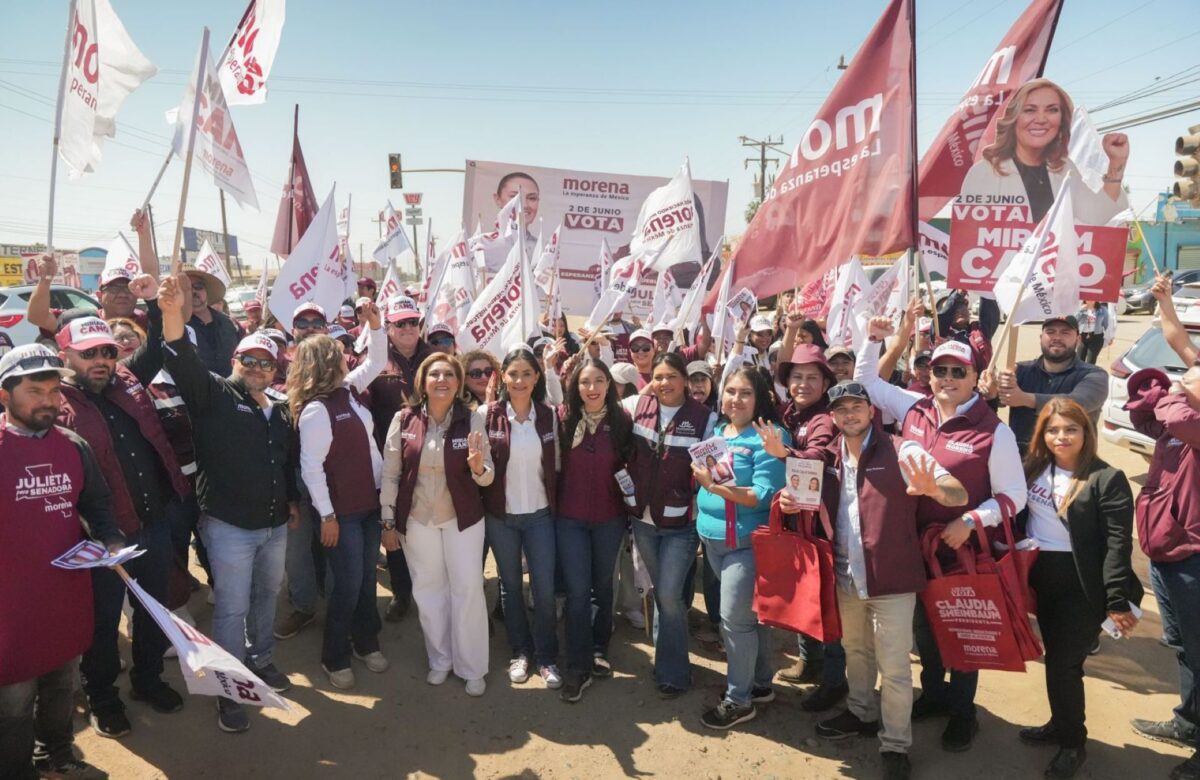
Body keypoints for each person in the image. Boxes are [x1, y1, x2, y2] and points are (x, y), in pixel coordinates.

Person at [768, 381, 967, 780]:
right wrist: (787, 499)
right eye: (841, 410)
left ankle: (895, 745)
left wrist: (935, 489)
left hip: (892, 579)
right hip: (846, 575)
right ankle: (861, 712)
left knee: (894, 668)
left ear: (871, 411)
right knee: (857, 653)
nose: (849, 415)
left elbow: (956, 492)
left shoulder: (901, 449)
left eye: (857, 407)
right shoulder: (826, 459)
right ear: (833, 417)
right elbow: (798, 498)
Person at [855, 317, 1026, 753]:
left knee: (964, 630)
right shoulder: (914, 407)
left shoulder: (994, 431)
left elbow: (1014, 497)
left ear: (975, 378)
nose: (947, 379)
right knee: (925, 628)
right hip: (912, 544)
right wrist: (876, 337)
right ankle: (933, 694)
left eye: (958, 372)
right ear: (928, 374)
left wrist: (970, 521)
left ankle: (964, 713)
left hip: (959, 548)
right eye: (940, 370)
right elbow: (867, 383)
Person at [159, 277, 300, 734]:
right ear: (235, 360)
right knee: (231, 609)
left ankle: (261, 661)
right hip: (228, 527)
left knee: (266, 599)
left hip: (274, 525)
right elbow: (181, 356)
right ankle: (229, 689)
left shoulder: (278, 408)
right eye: (250, 359)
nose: (259, 367)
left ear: (277, 370)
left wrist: (292, 503)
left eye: (267, 362)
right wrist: (171, 311)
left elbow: (284, 463)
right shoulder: (214, 394)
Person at [54, 280, 191, 739]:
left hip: (154, 524)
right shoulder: (52, 405)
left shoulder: (129, 377)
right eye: (89, 354)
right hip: (101, 539)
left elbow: (157, 345)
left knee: (155, 613)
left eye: (107, 353)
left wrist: (157, 300)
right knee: (103, 626)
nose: (101, 362)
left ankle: (148, 680)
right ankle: (103, 697)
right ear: (65, 355)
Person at [0, 345, 123, 780]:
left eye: (54, 390)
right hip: (10, 611)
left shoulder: (73, 444)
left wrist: (110, 541)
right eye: (35, 391)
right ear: (4, 395)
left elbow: (97, 503)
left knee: (60, 685)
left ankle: (57, 751)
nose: (49, 401)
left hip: (65, 597)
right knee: (13, 702)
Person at [1015, 398, 1140, 779]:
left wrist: (1117, 601)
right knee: (1055, 660)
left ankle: (1073, 743)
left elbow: (1118, 545)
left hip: (1082, 585)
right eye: (1053, 430)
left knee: (1064, 665)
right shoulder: (1034, 467)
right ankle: (1060, 723)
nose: (1061, 436)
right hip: (1041, 577)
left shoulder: (1107, 478)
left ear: (1086, 432)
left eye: (1070, 429)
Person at [380, 354, 493, 696]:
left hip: (462, 520)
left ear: (458, 383)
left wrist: (477, 467)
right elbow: (390, 473)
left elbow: (487, 478)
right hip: (417, 520)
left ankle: (471, 666)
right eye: (435, 374)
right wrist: (387, 521)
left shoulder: (472, 420)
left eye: (449, 374)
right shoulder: (404, 419)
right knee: (428, 591)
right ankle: (440, 660)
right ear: (423, 382)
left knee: (467, 589)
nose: (441, 379)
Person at [291, 302, 388, 691]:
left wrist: (376, 325)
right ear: (326, 364)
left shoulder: (348, 391)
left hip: (367, 506)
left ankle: (366, 643)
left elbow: (377, 360)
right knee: (346, 585)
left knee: (365, 582)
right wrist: (327, 517)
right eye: (339, 356)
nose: (348, 360)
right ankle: (335, 656)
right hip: (342, 515)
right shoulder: (316, 410)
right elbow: (311, 470)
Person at [693, 367, 789, 729]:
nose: (736, 398)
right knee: (751, 620)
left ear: (760, 396)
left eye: (745, 392)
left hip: (746, 546)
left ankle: (738, 700)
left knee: (734, 623)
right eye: (730, 391)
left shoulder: (768, 436)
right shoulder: (719, 432)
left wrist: (714, 488)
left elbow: (763, 495)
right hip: (714, 543)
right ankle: (761, 684)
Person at [623, 352, 717, 698]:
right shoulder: (637, 406)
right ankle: (666, 656)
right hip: (643, 520)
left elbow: (714, 469)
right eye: (658, 377)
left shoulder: (705, 419)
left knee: (669, 594)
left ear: (685, 381)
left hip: (681, 524)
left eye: (671, 377)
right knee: (662, 594)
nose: (664, 383)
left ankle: (673, 673)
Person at [1126, 366, 1200, 780]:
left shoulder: (1192, 424)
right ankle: (1188, 723)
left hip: (1194, 558)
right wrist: (1151, 388)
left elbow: (1176, 417)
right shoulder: (1178, 426)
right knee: (1184, 648)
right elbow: (1146, 417)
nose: (1180, 382)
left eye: (1189, 378)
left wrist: (1173, 394)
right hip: (1165, 552)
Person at [484, 346, 562, 689]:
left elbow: (557, 465)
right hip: (501, 517)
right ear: (503, 377)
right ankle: (521, 651)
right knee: (511, 587)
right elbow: (481, 468)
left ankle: (546, 656)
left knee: (544, 590)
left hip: (540, 516)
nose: (519, 380)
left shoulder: (549, 415)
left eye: (527, 374)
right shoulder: (486, 415)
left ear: (537, 378)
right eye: (513, 374)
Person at [771, 338, 845, 700]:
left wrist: (781, 452)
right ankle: (808, 660)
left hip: (823, 525)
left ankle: (834, 681)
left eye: (811, 377)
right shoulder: (790, 412)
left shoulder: (825, 418)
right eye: (796, 376)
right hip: (798, 521)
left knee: (826, 602)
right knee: (804, 594)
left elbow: (815, 458)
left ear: (826, 383)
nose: (802, 384)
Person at [556, 358, 633, 702]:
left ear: (610, 385)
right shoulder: (562, 419)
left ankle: (599, 648)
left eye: (599, 380)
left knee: (603, 587)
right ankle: (577, 665)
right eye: (585, 382)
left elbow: (631, 465)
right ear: (575, 386)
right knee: (576, 591)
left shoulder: (622, 422)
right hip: (569, 518)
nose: (592, 388)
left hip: (609, 518)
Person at [961, 78, 1130, 227]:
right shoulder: (984, 173)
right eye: (1030, 110)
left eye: (1052, 110)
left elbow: (1096, 216)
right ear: (1014, 118)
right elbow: (969, 238)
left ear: (1061, 120)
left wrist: (1117, 162)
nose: (1041, 119)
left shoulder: (1064, 170)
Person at [367, 294, 432, 623]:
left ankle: (432, 590)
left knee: (430, 528)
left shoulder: (436, 358)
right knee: (393, 527)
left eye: (413, 322)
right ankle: (402, 592)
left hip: (432, 461)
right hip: (389, 463)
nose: (408, 328)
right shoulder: (375, 360)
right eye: (400, 323)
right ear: (388, 327)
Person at [274, 298, 335, 642]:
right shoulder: (276, 366)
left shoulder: (339, 365)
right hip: (292, 475)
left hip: (332, 475)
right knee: (296, 549)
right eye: (303, 322)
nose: (310, 326)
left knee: (333, 542)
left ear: (327, 329)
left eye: (317, 321)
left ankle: (337, 606)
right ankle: (304, 606)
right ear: (292, 330)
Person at [980, 316, 1108, 454]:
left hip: (1070, 462)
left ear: (1078, 339)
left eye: (1065, 333)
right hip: (1023, 461)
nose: (1057, 337)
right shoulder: (1020, 370)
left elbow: (1078, 402)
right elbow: (998, 403)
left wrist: (1025, 399)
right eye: (1051, 332)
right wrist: (992, 393)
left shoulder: (1095, 375)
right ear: (1041, 338)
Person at [184, 267, 239, 378]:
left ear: (206, 291)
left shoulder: (228, 322)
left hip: (231, 390)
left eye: (198, 287)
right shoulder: (176, 326)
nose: (193, 291)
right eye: (187, 288)